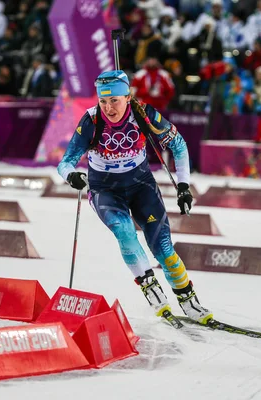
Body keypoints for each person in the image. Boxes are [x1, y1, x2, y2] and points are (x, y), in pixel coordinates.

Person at [56, 70, 212, 324]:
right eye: (103, 101)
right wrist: (72, 176)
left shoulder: (144, 114)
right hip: (105, 189)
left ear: (127, 97)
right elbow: (66, 162)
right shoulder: (91, 121)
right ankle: (152, 290)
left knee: (163, 249)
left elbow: (179, 144)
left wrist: (183, 186)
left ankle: (188, 299)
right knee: (125, 232)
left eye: (114, 101)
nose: (108, 108)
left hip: (141, 185)